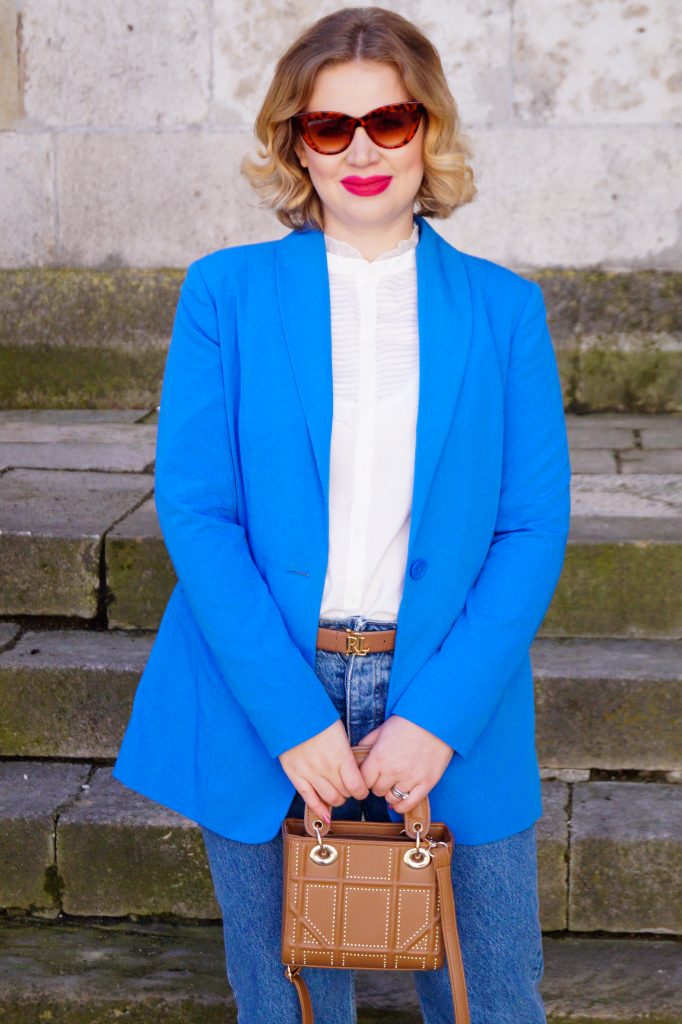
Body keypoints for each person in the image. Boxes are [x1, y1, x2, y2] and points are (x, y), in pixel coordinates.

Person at [112, 6, 571, 1022]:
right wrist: (293, 718)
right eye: (330, 127)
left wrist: (435, 719)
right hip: (264, 684)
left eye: (389, 122)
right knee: (287, 1003)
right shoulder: (222, 295)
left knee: (488, 994)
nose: (362, 150)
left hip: (453, 692)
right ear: (295, 143)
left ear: (427, 131)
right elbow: (197, 508)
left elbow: (530, 527)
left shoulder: (503, 311)